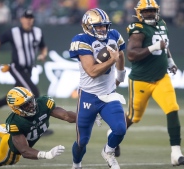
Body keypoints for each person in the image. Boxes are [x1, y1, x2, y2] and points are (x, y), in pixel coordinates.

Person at [118, 0, 184, 166]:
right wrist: (153, 47)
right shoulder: (138, 29)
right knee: (133, 117)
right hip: (141, 80)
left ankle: (176, 153)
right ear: (139, 13)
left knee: (172, 108)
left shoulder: (162, 23)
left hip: (161, 77)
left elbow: (165, 45)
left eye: (152, 10)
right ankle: (112, 135)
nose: (149, 14)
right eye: (146, 11)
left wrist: (170, 60)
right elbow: (131, 55)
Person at [0, 86, 77, 169]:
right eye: (25, 105)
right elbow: (24, 150)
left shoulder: (43, 104)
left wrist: (89, 117)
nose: (31, 105)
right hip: (12, 145)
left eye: (30, 100)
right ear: (16, 109)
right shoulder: (15, 122)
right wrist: (46, 154)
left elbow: (66, 116)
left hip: (16, 131)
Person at [69, 8, 127, 169]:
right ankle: (76, 164)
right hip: (88, 96)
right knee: (82, 141)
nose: (103, 29)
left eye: (104, 26)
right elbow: (92, 71)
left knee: (120, 128)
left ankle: (108, 151)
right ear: (87, 26)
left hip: (108, 94)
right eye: (98, 26)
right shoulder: (82, 40)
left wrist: (121, 75)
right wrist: (111, 61)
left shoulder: (114, 35)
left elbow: (120, 54)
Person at [0, 9, 48, 129]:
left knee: (19, 95)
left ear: (33, 19)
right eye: (26, 18)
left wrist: (43, 54)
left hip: (29, 69)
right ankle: (38, 125)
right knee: (33, 93)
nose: (28, 20)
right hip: (17, 67)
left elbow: (43, 46)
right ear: (21, 19)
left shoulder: (37, 32)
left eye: (30, 18)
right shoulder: (14, 32)